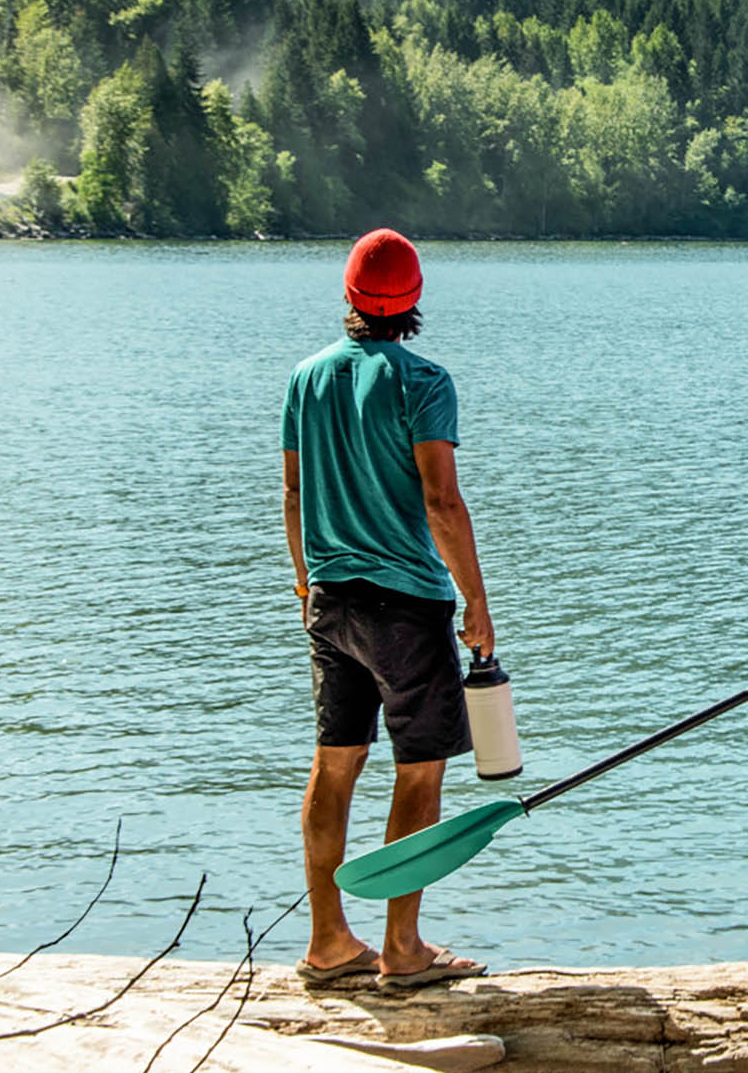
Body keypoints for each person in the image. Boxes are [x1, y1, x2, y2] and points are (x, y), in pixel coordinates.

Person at [283, 228, 491, 988]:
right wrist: (476, 601)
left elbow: (293, 493)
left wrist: (308, 584)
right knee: (419, 771)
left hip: (331, 601)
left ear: (349, 296)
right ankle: (402, 947)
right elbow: (441, 500)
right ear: (414, 302)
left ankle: (328, 941)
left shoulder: (306, 378)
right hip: (406, 605)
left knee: (334, 766)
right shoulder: (425, 381)